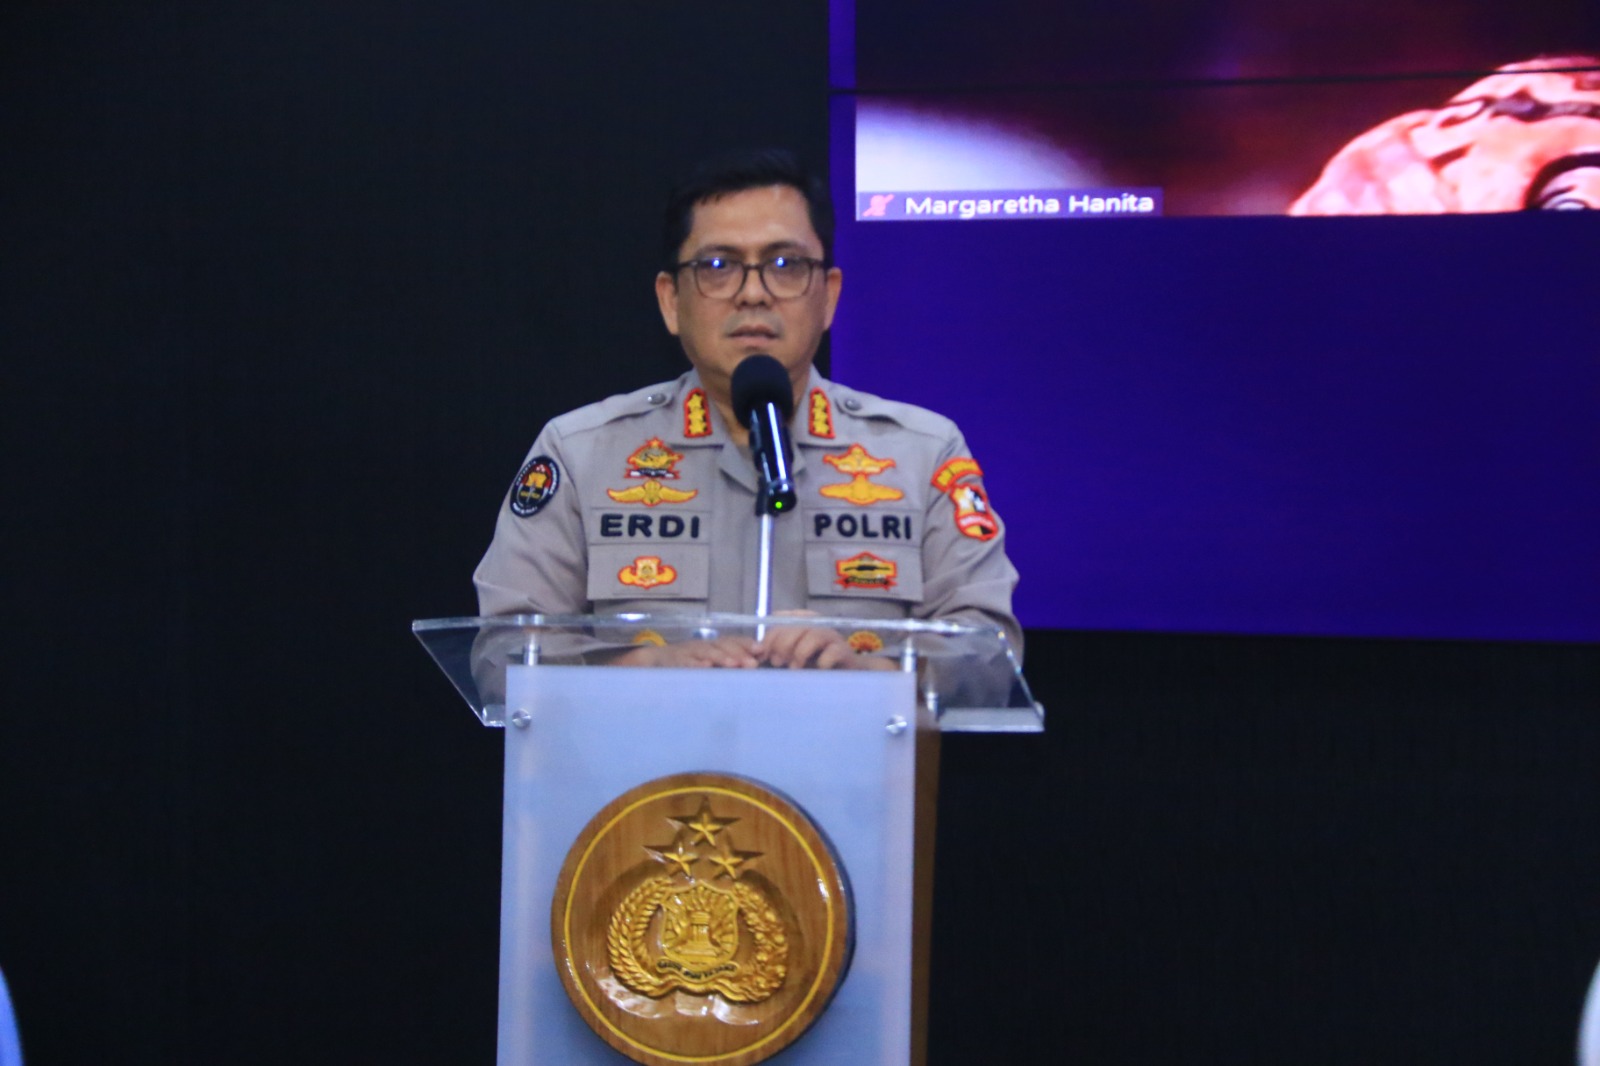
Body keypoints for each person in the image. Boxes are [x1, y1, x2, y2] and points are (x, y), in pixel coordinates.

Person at [473, 149, 1020, 668]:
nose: (753, 293)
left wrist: (870, 671)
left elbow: (991, 653)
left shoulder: (922, 454)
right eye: (718, 265)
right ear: (671, 300)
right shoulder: (582, 453)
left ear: (828, 296)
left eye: (785, 263)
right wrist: (645, 666)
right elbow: (503, 652)